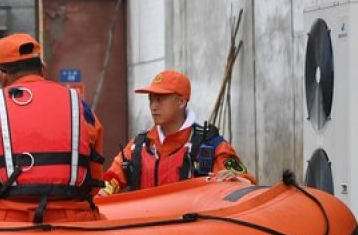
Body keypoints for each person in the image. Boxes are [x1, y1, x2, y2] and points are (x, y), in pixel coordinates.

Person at [0, 32, 105, 224]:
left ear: (1, 75)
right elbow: (95, 178)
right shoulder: (78, 103)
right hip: (73, 214)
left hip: (7, 216)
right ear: (42, 69)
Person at [101, 70, 254, 194]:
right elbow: (112, 177)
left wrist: (236, 181)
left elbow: (248, 184)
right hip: (145, 229)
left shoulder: (210, 144)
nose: (153, 106)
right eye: (151, 99)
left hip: (189, 230)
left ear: (181, 101)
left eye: (160, 99)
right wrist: (103, 190)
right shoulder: (138, 146)